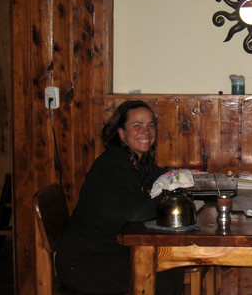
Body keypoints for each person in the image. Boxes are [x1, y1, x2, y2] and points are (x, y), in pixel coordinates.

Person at [56, 100, 184, 294]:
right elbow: (135, 212)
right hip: (85, 261)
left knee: (171, 268)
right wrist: (173, 194)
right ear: (121, 133)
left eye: (150, 126)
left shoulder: (135, 161)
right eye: (137, 126)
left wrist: (183, 176)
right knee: (164, 278)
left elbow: (159, 173)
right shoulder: (113, 164)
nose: (146, 132)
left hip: (108, 251)